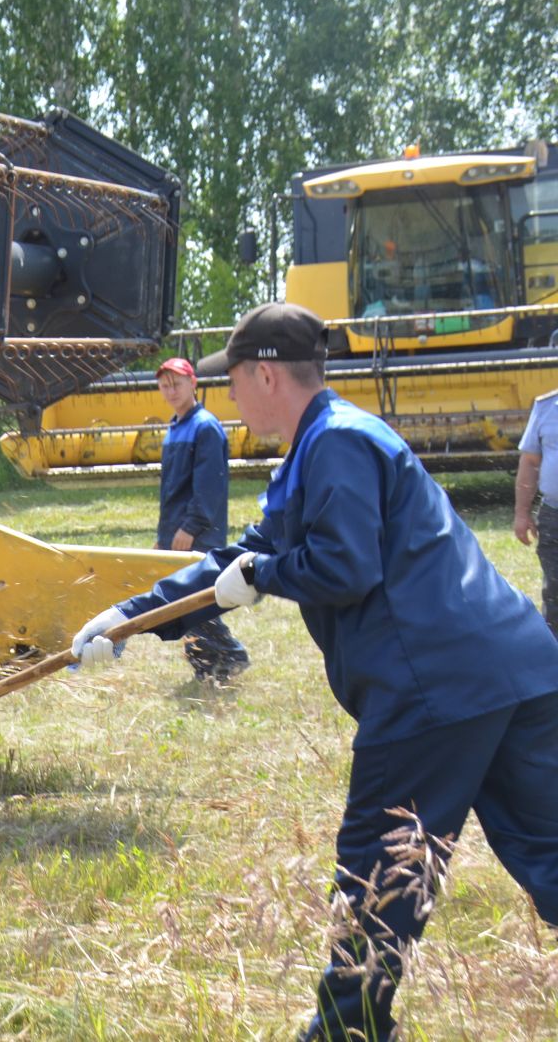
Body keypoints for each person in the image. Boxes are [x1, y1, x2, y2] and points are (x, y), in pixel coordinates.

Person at [68, 302, 558, 1040]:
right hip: (516, 669)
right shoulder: (324, 445)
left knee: (380, 870)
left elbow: (343, 565)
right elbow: (230, 561)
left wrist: (265, 573)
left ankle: (346, 1031)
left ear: (266, 372)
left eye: (232, 380)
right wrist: (129, 618)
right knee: (549, 845)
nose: (228, 396)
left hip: (432, 687)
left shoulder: (334, 444)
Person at [153, 355, 250, 683]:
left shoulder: (205, 426)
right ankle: (210, 665)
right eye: (164, 385)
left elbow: (208, 484)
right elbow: (171, 489)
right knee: (184, 602)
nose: (170, 390)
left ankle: (229, 656)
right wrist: (163, 535)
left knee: (195, 599)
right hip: (176, 531)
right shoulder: (175, 426)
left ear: (193, 384)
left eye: (176, 384)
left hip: (198, 531)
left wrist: (191, 527)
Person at [513, 387, 558, 635]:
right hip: (554, 515)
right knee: (555, 590)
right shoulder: (546, 407)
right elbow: (530, 462)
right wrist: (522, 513)